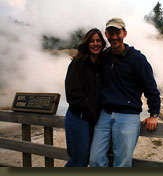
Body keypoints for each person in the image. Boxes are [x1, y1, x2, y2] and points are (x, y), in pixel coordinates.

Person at [89, 18, 161, 167]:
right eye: (111, 33)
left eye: (118, 33)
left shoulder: (137, 59)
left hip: (128, 116)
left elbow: (151, 88)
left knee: (122, 163)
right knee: (95, 159)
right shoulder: (104, 57)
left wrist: (154, 114)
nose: (114, 37)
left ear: (125, 33)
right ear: (106, 35)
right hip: (105, 114)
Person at [64, 28, 106, 167]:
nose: (95, 44)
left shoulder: (101, 65)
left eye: (98, 40)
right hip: (78, 118)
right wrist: (91, 111)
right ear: (86, 44)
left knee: (87, 158)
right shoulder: (78, 64)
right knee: (79, 161)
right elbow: (73, 95)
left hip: (92, 120)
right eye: (92, 41)